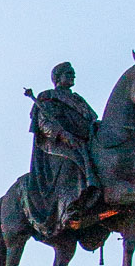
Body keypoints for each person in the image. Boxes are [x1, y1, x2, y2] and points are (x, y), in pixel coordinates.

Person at [25, 61, 101, 240]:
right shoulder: (47, 97)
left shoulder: (78, 100)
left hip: (83, 141)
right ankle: (69, 206)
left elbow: (91, 121)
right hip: (57, 144)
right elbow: (44, 123)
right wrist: (64, 135)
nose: (72, 76)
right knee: (72, 160)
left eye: (73, 73)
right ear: (57, 78)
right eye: (68, 73)